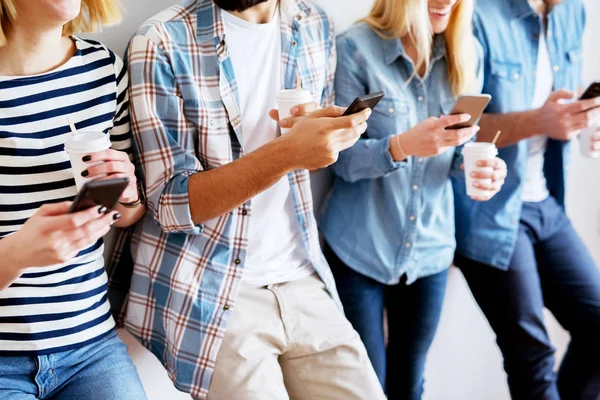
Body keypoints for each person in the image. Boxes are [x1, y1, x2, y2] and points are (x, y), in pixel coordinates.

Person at [108, 0, 386, 398]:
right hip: (212, 284)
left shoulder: (314, 23)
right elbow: (170, 205)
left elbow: (313, 156)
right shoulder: (162, 40)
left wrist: (327, 135)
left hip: (302, 273)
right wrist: (288, 152)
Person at [318, 0, 507, 398]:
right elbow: (340, 162)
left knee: (410, 384)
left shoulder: (468, 52)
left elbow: (460, 154)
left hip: (430, 254)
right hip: (359, 250)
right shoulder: (356, 48)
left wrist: (486, 170)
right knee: (366, 388)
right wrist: (402, 146)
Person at [452, 0, 600, 399]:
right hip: (491, 210)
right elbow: (456, 126)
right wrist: (541, 121)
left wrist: (581, 125)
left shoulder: (574, 11)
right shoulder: (475, 14)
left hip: (546, 201)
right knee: (532, 356)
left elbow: (560, 107)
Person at [0, 0, 147, 399]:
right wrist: (17, 253)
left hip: (89, 346)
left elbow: (124, 216)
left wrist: (127, 193)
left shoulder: (103, 70)